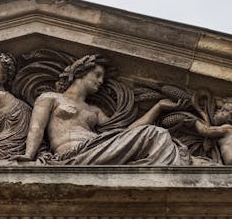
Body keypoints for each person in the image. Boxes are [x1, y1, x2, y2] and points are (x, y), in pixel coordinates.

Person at [16, 54, 189, 165]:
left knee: (158, 134)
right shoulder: (50, 98)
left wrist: (157, 107)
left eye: (103, 78)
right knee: (156, 134)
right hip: (73, 154)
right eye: (97, 75)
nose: (100, 81)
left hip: (98, 148)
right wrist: (29, 156)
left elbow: (125, 134)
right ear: (79, 72)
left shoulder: (95, 111)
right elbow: (36, 128)